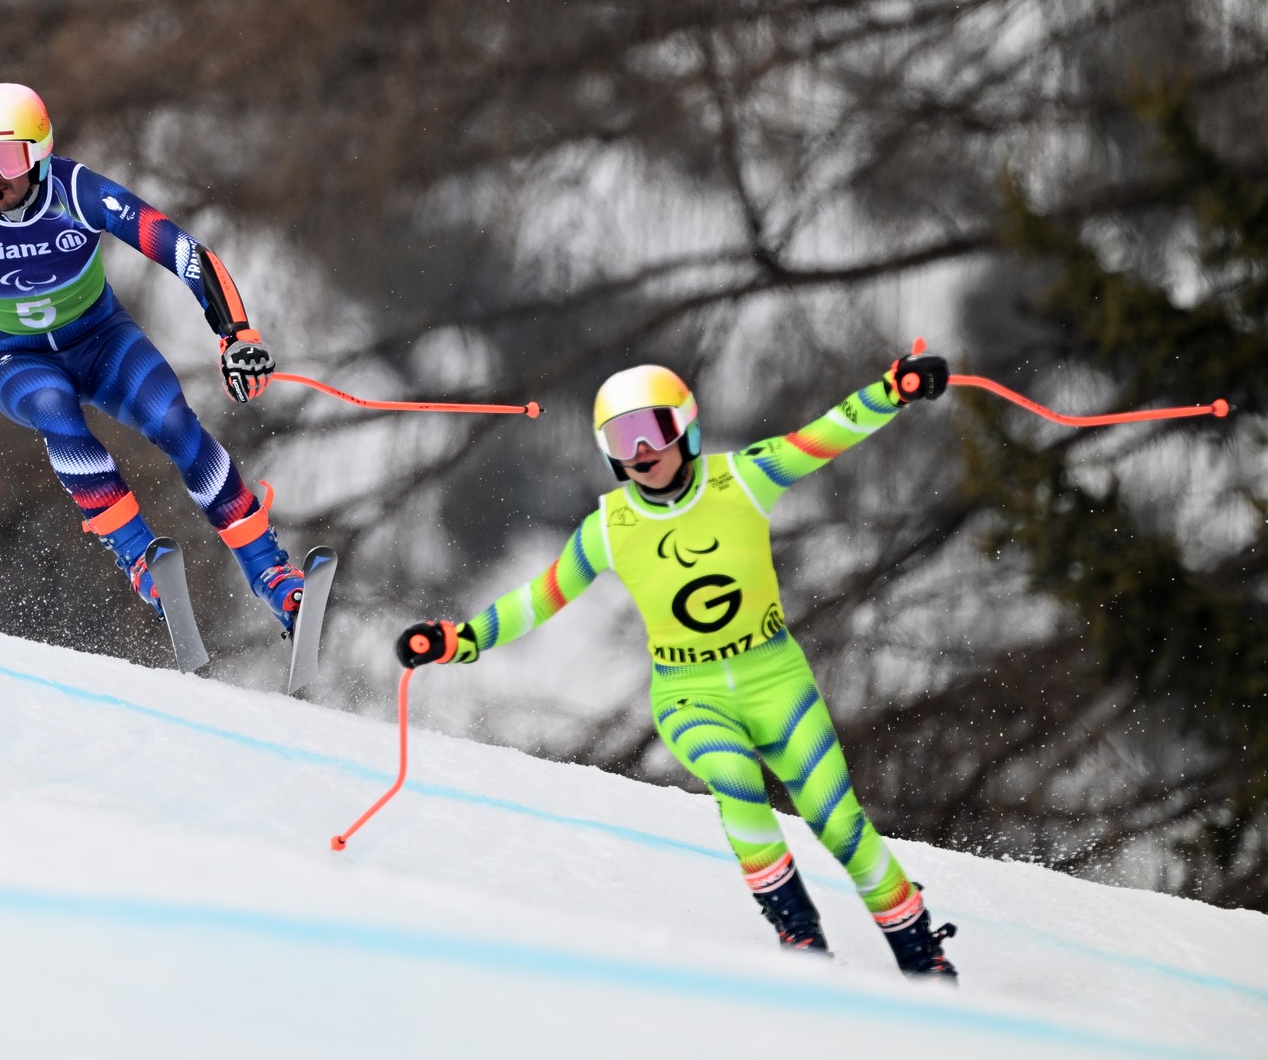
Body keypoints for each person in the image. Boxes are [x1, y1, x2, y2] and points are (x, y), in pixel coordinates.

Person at [395, 354, 960, 980]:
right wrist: (462, 639)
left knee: (840, 821)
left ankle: (920, 953)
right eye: (621, 439)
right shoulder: (611, 526)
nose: (640, 451)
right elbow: (540, 597)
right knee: (736, 782)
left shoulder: (744, 478)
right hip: (690, 696)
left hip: (777, 682)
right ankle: (800, 939)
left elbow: (823, 436)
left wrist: (893, 390)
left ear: (686, 430)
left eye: (652, 431)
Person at [0, 83, 303, 632]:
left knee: (174, 422)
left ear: (41, 153)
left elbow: (187, 253)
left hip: (103, 342)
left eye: (6, 157)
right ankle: (141, 559)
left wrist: (236, 336)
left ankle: (272, 576)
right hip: (15, 361)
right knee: (55, 408)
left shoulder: (78, 190)